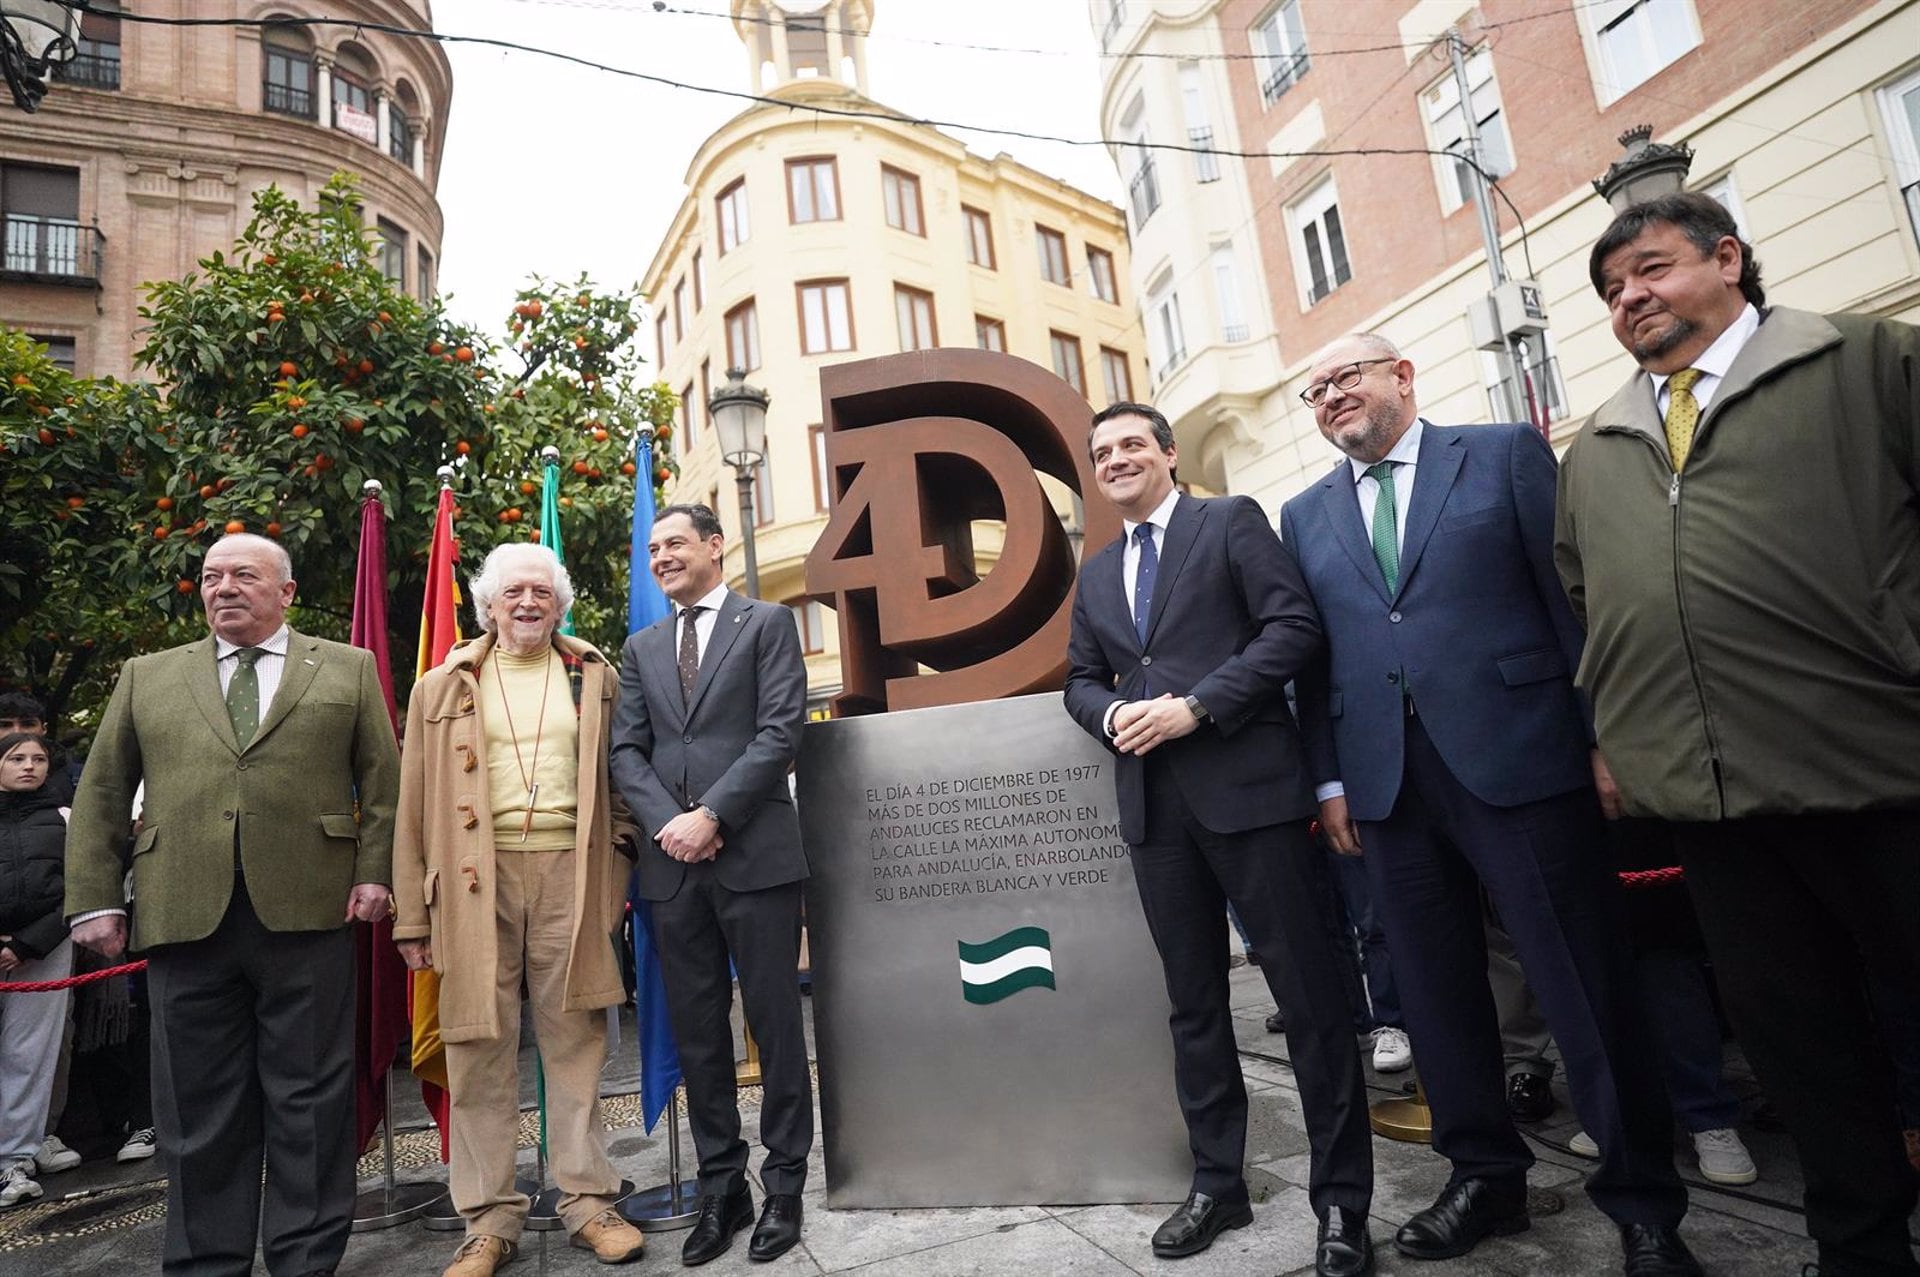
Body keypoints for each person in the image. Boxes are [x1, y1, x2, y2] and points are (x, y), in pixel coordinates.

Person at [1278, 335, 1694, 1276]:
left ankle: (1643, 1205)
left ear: (1402, 375)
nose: (1332, 395)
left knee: (1581, 980)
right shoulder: (1302, 515)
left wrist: (1600, 734)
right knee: (1433, 994)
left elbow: (1568, 600)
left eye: (1347, 375)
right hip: (1384, 785)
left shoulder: (1502, 452)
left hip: (1522, 757)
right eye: (1316, 389)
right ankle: (1484, 1177)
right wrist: (1331, 780)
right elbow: (1311, 663)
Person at [1561, 191, 1920, 1275]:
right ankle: (1859, 1251)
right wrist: (1618, 735)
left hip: (1882, 773)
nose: (1633, 297)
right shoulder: (1602, 443)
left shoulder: (1866, 364)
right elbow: (1593, 599)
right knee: (1804, 1053)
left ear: (1729, 258)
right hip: (1712, 807)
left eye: (1655, 269)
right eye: (1615, 289)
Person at [1063, 403, 1374, 1277]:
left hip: (1253, 798)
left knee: (1311, 1002)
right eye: (1102, 453)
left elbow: (1294, 630)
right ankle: (1218, 1184)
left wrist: (1196, 705)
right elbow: (1079, 681)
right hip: (1156, 815)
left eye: (1132, 444)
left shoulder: (1228, 521)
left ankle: (1343, 1201)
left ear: (1167, 454)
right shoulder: (1094, 575)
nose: (1118, 459)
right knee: (1193, 1005)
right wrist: (1116, 710)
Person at [63, 533, 400, 1277]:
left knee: (310, 1103)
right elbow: (103, 793)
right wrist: (92, 899)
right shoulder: (146, 675)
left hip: (312, 910)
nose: (223, 588)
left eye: (244, 575)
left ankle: (305, 1260)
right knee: (194, 1108)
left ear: (285, 590)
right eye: (212, 576)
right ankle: (206, 1262)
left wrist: (378, 872)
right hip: (182, 912)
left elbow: (383, 785)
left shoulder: (348, 667)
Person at [392, 543, 647, 1277]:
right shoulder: (440, 685)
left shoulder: (595, 677)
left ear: (559, 603)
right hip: (473, 882)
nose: (528, 602)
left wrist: (618, 859)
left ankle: (589, 1203)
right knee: (477, 1049)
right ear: (489, 605)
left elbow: (624, 776)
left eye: (542, 590)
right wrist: (413, 915)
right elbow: (412, 807)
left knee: (578, 1044)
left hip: (574, 871)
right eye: (514, 592)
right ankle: (489, 1219)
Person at [609, 504, 813, 1267]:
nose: (661, 556)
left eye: (675, 543)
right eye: (653, 547)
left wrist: (714, 814)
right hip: (671, 866)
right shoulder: (642, 645)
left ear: (714, 546)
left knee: (776, 1025)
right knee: (699, 1034)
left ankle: (785, 1184)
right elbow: (628, 751)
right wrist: (674, 824)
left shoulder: (765, 625)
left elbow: (780, 732)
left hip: (755, 855)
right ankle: (724, 1186)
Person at [0, 732, 72, 1210]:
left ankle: (14, 1159)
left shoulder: (67, 818)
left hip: (45, 949)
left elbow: (82, 884)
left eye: (39, 759)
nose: (29, 766)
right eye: (17, 758)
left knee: (30, 1054)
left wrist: (28, 944)